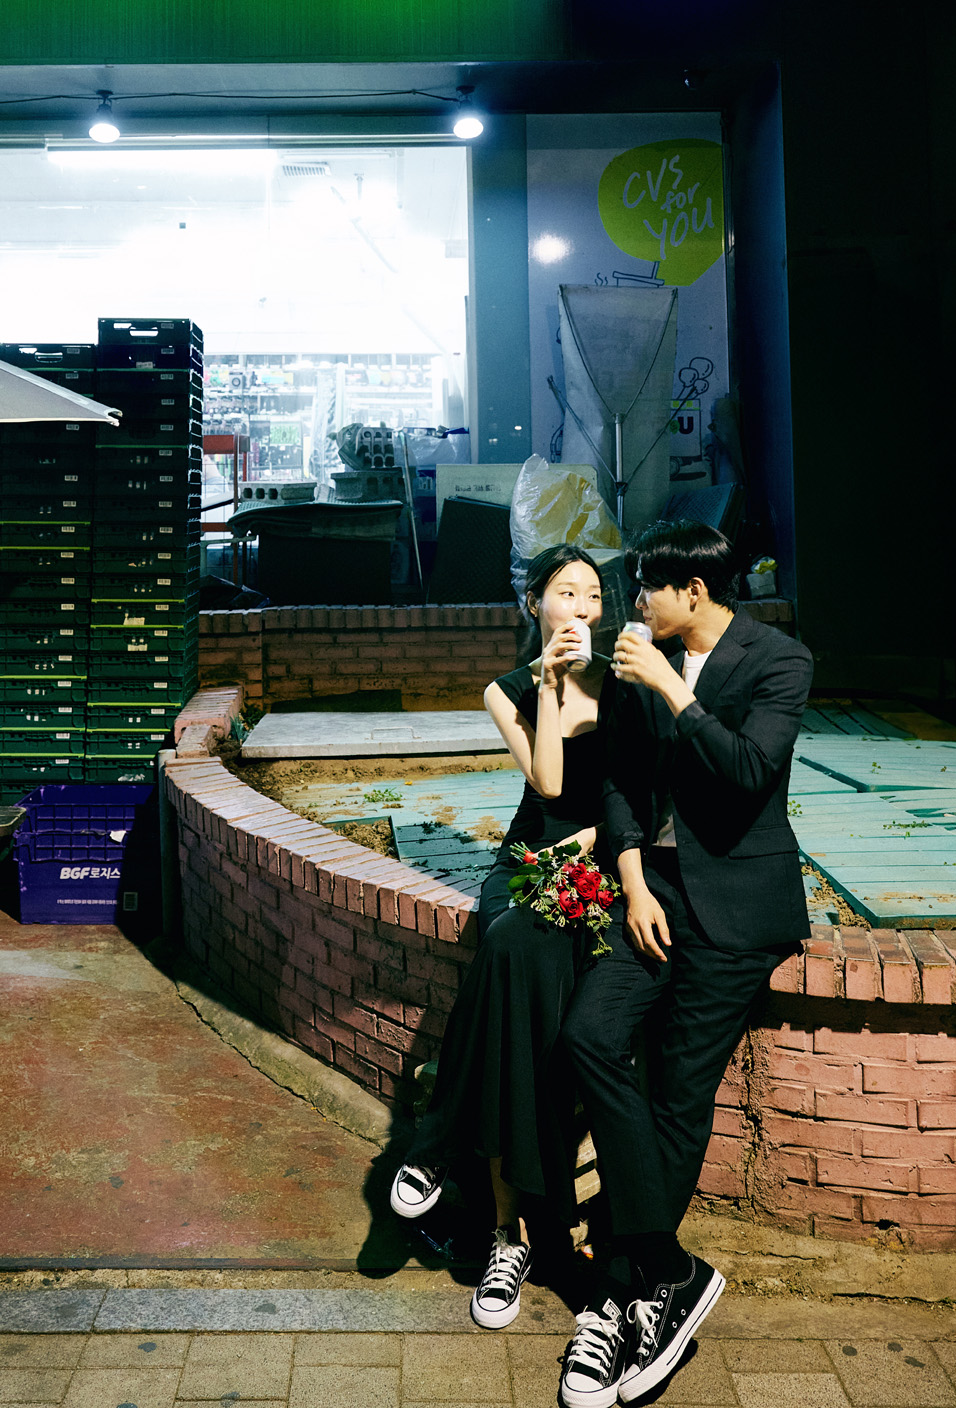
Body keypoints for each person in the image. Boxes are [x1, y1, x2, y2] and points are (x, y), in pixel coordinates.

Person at [558, 520, 813, 1408]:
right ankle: (669, 1269)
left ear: (692, 592)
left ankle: (619, 1297)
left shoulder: (779, 661)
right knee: (590, 1035)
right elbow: (620, 784)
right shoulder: (642, 659)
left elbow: (749, 773)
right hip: (654, 895)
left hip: (738, 909)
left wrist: (671, 687)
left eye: (645, 589)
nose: (633, 603)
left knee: (677, 1092)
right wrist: (631, 881)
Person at [387, 545, 622, 1330]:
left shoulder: (625, 680)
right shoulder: (507, 689)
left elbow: (632, 798)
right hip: (531, 860)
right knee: (509, 942)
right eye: (567, 592)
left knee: (515, 961)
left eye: (593, 594)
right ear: (534, 605)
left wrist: (591, 844)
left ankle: (444, 1153)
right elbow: (549, 784)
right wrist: (550, 686)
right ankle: (508, 1237)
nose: (583, 607)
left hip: (598, 859)